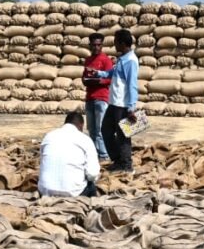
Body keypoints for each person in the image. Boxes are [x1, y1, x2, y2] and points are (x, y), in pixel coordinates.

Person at [93, 29, 139, 172]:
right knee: (106, 130)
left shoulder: (131, 61)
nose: (114, 45)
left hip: (123, 105)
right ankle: (118, 160)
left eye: (115, 42)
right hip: (113, 103)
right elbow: (113, 73)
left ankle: (126, 165)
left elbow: (132, 85)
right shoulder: (122, 59)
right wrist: (99, 73)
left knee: (123, 136)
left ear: (123, 43)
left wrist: (131, 108)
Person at [38, 111, 100, 197]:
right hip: (74, 192)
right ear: (81, 125)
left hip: (45, 190)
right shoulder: (85, 139)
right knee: (91, 183)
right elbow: (92, 174)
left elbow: (42, 162)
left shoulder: (48, 136)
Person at [82, 32, 113, 161]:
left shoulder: (106, 60)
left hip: (101, 98)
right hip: (90, 97)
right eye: (94, 45)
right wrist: (87, 81)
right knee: (91, 129)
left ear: (102, 45)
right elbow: (84, 78)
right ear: (90, 45)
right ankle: (94, 154)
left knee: (100, 129)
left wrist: (98, 81)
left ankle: (103, 155)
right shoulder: (88, 60)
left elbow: (110, 78)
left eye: (98, 45)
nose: (96, 47)